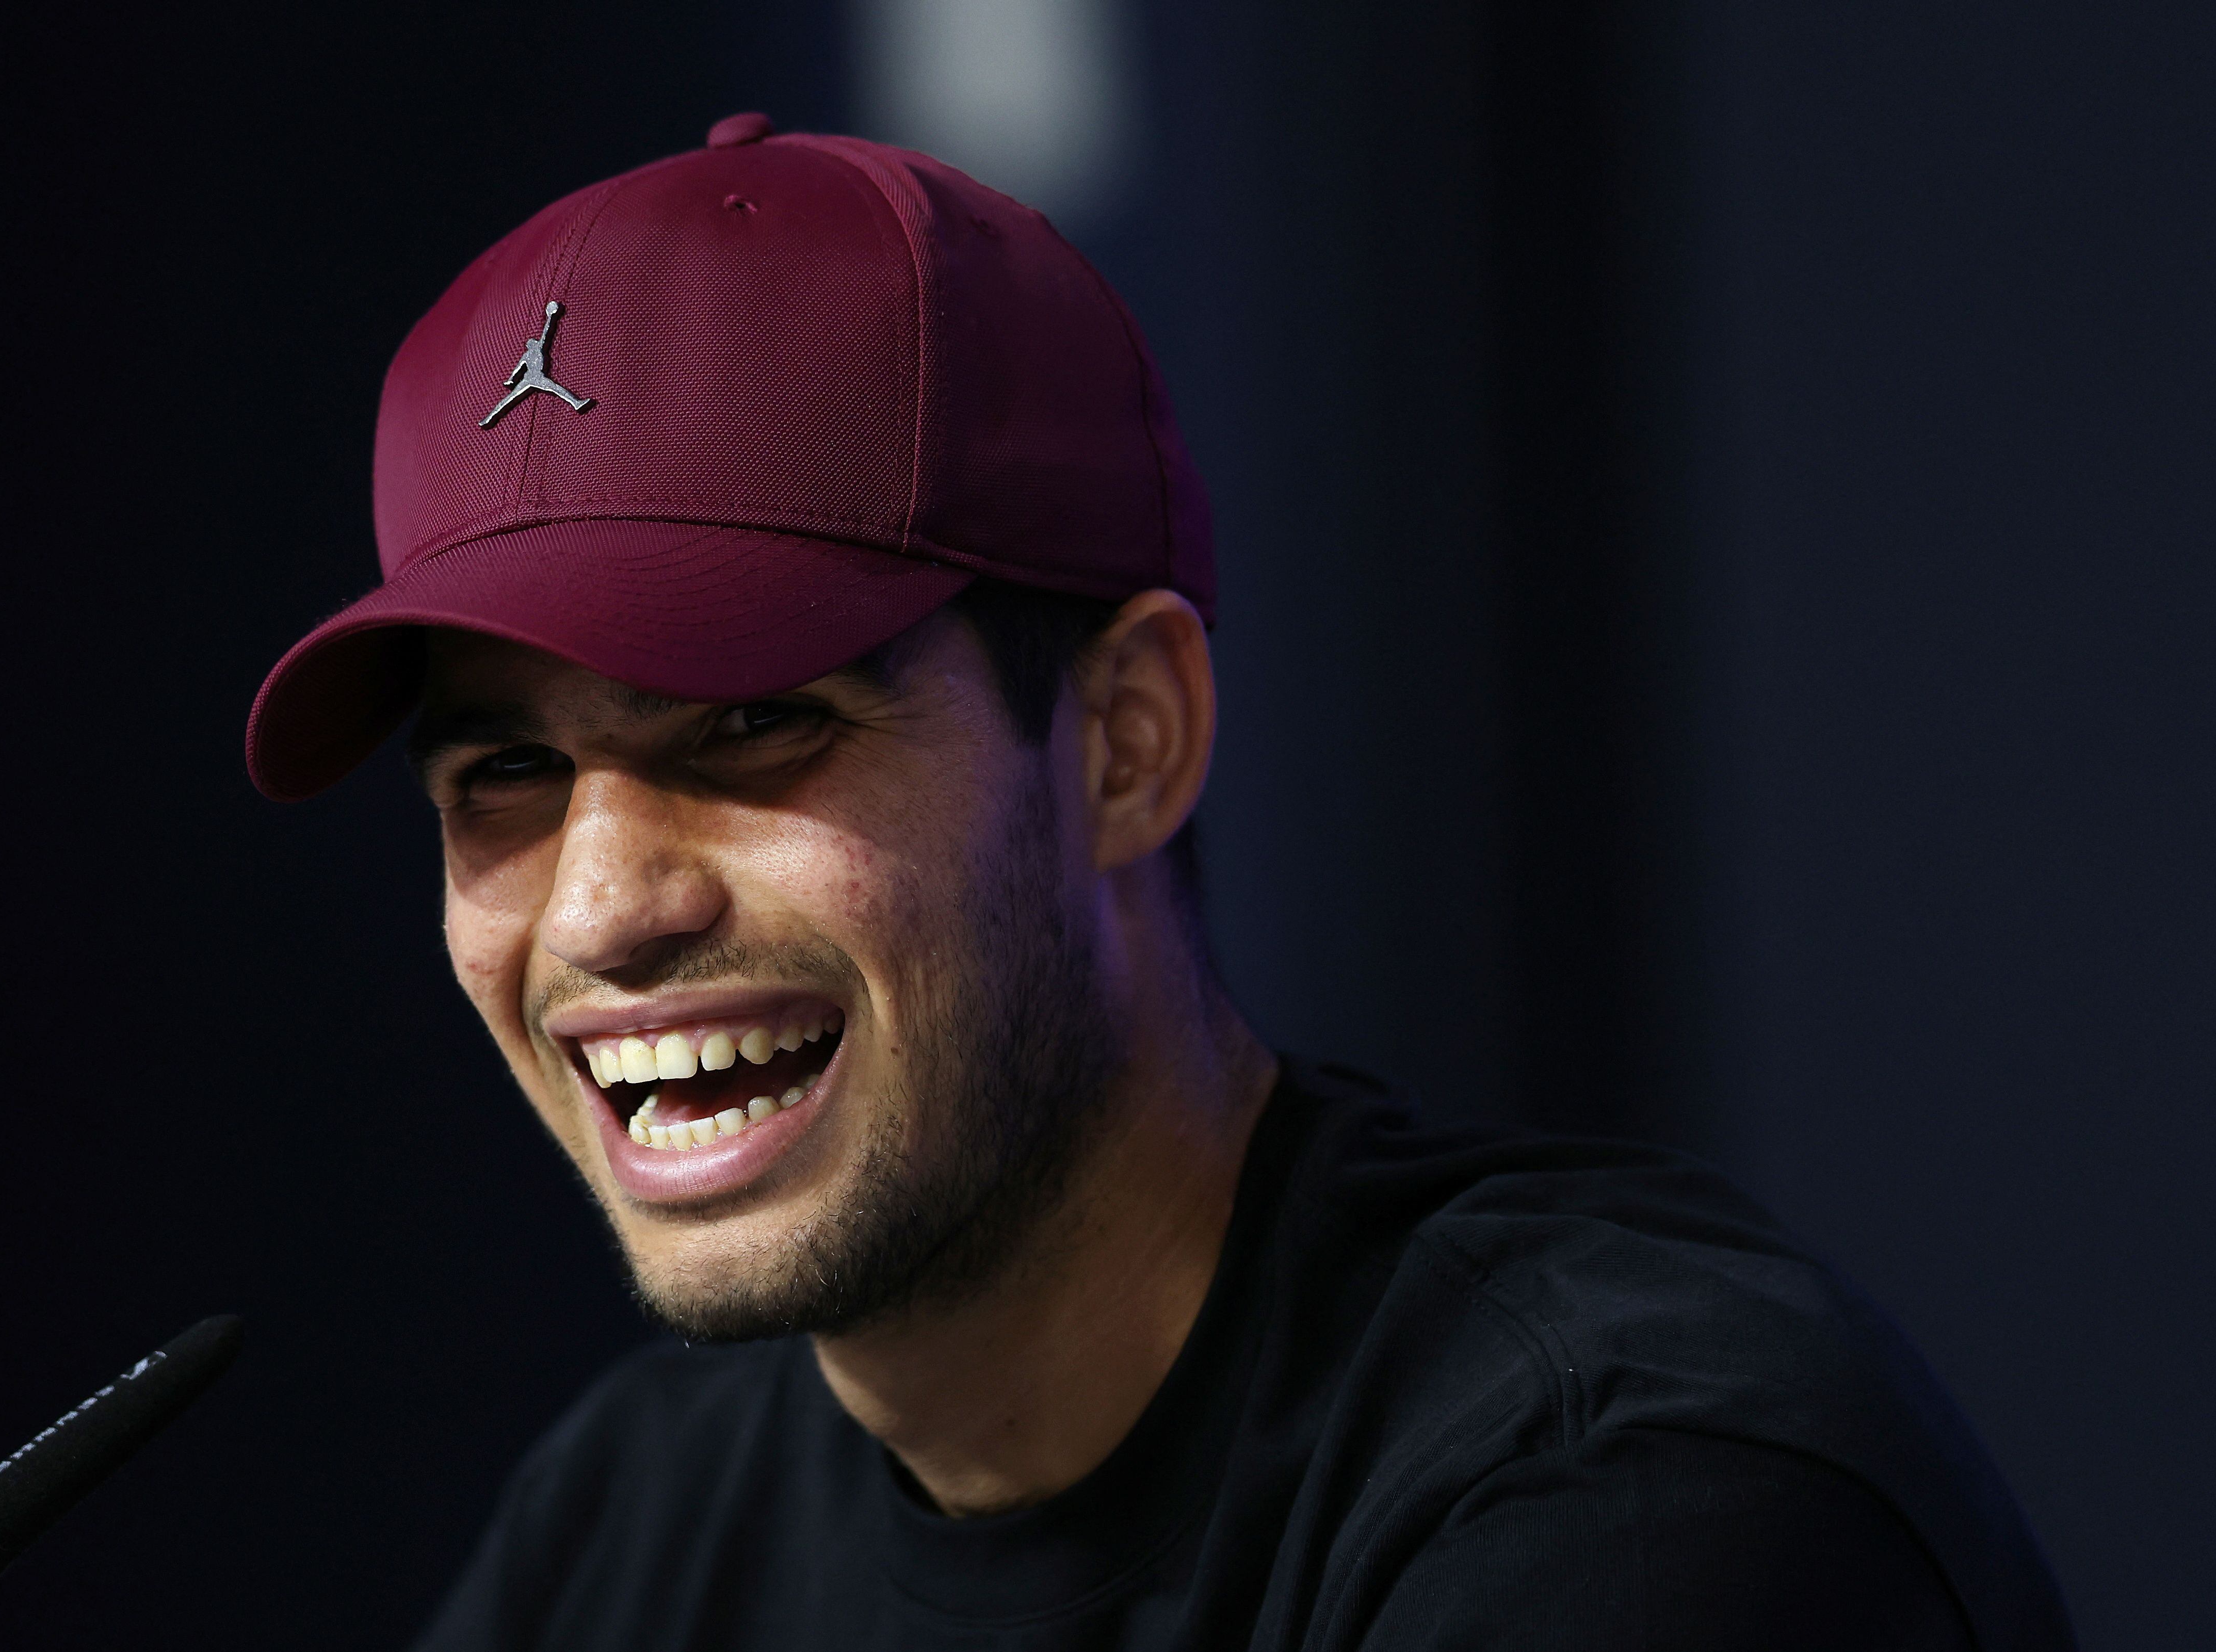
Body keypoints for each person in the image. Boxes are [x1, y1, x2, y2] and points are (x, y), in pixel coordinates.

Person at [245, 113, 2075, 1651]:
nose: (601, 909)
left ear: (1127, 738)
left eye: (746, 723)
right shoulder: (625, 1537)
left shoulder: (1635, 1491)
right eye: (506, 773)